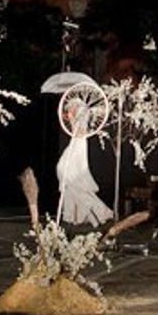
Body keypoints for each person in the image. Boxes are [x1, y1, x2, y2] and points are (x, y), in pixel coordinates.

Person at [55, 97, 112, 227]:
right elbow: (70, 122)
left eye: (71, 108)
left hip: (79, 142)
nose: (70, 110)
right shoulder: (76, 112)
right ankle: (80, 215)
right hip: (76, 141)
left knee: (70, 173)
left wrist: (72, 117)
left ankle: (95, 213)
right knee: (65, 172)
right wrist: (68, 117)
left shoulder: (82, 111)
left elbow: (81, 130)